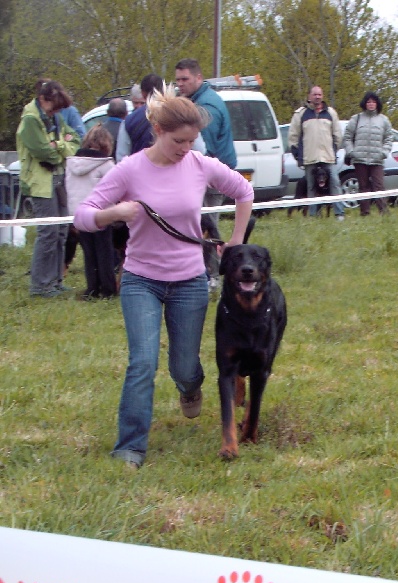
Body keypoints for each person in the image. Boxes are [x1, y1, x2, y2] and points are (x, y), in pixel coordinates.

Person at [73, 87, 254, 469]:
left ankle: (189, 388)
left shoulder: (200, 164)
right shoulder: (130, 169)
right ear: (156, 129)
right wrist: (115, 213)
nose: (185, 148)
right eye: (178, 141)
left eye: (191, 140)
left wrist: (235, 243)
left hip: (190, 282)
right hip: (141, 281)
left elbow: (243, 190)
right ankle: (130, 447)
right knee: (142, 362)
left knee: (184, 367)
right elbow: (83, 216)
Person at [175, 58, 236, 290]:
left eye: (185, 79)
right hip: (209, 176)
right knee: (201, 226)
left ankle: (214, 276)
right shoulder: (197, 101)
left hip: (211, 179)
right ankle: (212, 273)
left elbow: (201, 152)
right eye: (178, 79)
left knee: (206, 228)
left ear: (198, 78)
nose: (180, 84)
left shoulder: (205, 109)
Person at [16, 79, 80, 297]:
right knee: (48, 232)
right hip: (40, 184)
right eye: (54, 107)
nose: (56, 113)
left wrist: (60, 145)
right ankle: (40, 285)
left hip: (59, 178)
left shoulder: (57, 118)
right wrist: (60, 149)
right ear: (43, 99)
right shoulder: (30, 121)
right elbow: (43, 152)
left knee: (62, 231)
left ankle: (56, 280)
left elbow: (76, 141)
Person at [65, 125, 116, 298]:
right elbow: (114, 189)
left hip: (79, 213)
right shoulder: (107, 164)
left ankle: (92, 288)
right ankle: (108, 289)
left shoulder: (71, 163)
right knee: (104, 251)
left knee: (88, 252)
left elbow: (69, 189)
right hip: (100, 213)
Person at [288, 85, 346, 221]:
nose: (317, 97)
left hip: (328, 157)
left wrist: (333, 149)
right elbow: (293, 136)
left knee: (335, 183)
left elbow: (337, 135)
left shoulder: (331, 113)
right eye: (314, 94)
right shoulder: (301, 114)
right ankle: (314, 215)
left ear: (323, 96)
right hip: (310, 158)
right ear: (309, 96)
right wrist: (297, 154)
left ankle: (339, 214)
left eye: (319, 94)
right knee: (311, 187)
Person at [343, 91, 392, 216]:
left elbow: (388, 139)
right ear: (364, 103)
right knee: (363, 187)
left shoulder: (384, 120)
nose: (371, 104)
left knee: (379, 186)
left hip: (377, 160)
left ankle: (384, 213)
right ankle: (365, 213)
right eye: (368, 102)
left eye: (373, 102)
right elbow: (347, 137)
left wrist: (383, 153)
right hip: (360, 160)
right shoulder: (356, 118)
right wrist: (352, 152)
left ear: (377, 104)